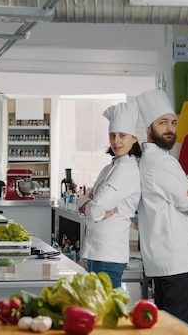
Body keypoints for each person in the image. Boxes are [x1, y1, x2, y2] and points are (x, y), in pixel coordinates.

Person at [134, 89, 188, 323]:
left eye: (173, 122)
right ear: (148, 128)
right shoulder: (163, 161)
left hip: (160, 261)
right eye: (163, 122)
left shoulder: (144, 159)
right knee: (178, 328)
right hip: (178, 261)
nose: (170, 128)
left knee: (165, 326)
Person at [76, 102, 141, 288]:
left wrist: (89, 205)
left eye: (122, 135)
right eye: (112, 135)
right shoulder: (109, 168)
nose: (116, 141)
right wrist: (88, 204)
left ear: (134, 138)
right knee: (98, 310)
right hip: (96, 252)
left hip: (109, 253)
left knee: (107, 312)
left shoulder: (127, 170)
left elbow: (95, 209)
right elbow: (86, 204)